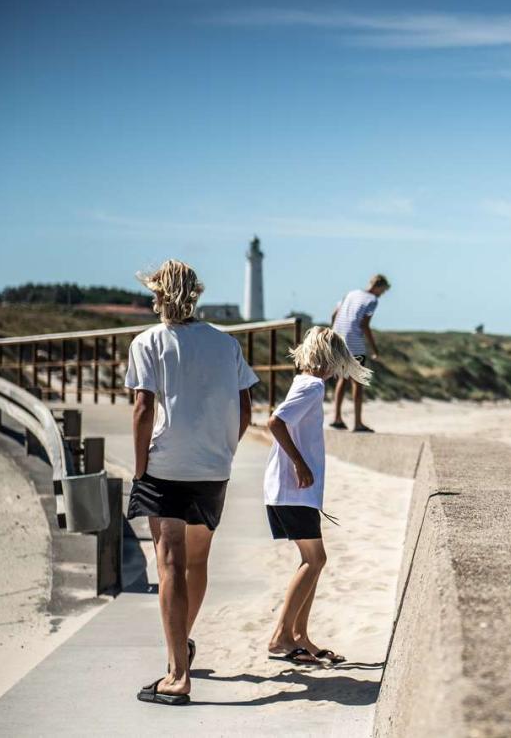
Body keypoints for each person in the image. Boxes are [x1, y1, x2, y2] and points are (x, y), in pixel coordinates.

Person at [125, 260, 258, 706]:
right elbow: (245, 411)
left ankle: (178, 675)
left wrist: (140, 467)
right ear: (196, 295)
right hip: (212, 468)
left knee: (169, 567)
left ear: (159, 295)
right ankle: (181, 645)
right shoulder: (226, 345)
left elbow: (144, 409)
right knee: (196, 564)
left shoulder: (149, 342)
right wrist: (224, 451)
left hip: (165, 470)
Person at [265, 326, 371, 665]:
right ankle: (282, 636)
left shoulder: (304, 383)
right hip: (292, 491)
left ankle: (299, 637)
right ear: (328, 359)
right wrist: (299, 464)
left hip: (289, 491)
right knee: (316, 559)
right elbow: (275, 422)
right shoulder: (311, 387)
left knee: (311, 560)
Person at [330, 274, 389, 432]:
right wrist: (374, 349)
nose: (382, 294)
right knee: (358, 382)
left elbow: (334, 314)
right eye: (383, 291)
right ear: (379, 287)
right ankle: (357, 423)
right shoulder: (372, 300)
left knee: (342, 378)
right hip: (354, 342)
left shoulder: (351, 293)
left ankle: (337, 418)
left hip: (338, 338)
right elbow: (364, 324)